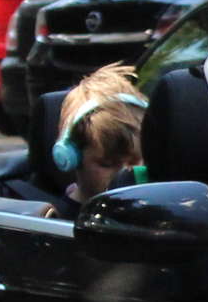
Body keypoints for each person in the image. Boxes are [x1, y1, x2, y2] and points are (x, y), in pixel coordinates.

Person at [50, 63, 148, 205]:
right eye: (109, 163)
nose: (124, 173)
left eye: (134, 161)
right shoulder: (57, 220)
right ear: (71, 157)